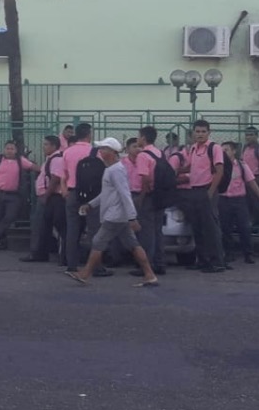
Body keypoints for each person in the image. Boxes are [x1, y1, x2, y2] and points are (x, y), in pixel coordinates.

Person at [66, 137, 159, 287]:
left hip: (115, 215)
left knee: (98, 241)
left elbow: (124, 194)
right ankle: (149, 274)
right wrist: (91, 204)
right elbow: (108, 193)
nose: (100, 151)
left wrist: (132, 217)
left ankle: (85, 273)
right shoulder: (113, 169)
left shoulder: (115, 170)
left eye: (103, 149)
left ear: (112, 152)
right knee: (133, 244)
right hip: (118, 215)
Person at [177, 119, 228, 273]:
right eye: (197, 131)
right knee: (198, 227)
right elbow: (190, 167)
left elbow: (220, 171)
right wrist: (174, 170)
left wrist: (211, 191)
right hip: (194, 190)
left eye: (203, 131)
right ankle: (203, 260)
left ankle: (217, 262)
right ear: (193, 133)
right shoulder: (193, 148)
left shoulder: (214, 148)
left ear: (209, 132)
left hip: (207, 190)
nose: (200, 134)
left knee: (211, 228)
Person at [59, 123, 110, 275]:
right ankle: (96, 266)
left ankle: (71, 264)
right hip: (92, 195)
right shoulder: (96, 152)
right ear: (89, 134)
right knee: (95, 230)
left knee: (72, 229)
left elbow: (64, 174)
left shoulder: (67, 152)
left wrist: (65, 190)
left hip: (73, 193)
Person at [0, 140, 36, 250]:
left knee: (10, 217)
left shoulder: (21, 161)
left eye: (12, 149)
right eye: (7, 148)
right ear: (4, 149)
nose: (9, 151)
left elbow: (34, 167)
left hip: (14, 195)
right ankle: (0, 242)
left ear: (16, 151)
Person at [23, 135, 65, 263]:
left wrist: (46, 195)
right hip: (48, 195)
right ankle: (40, 252)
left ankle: (38, 253)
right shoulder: (50, 159)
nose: (44, 147)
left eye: (46, 144)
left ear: (53, 146)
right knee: (42, 226)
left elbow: (55, 178)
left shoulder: (56, 159)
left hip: (51, 196)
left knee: (40, 225)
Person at [133, 126, 168, 276]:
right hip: (160, 196)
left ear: (143, 138)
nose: (137, 139)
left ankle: (147, 266)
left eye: (139, 136)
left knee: (146, 232)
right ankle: (159, 263)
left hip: (148, 196)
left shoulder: (143, 155)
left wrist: (140, 198)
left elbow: (145, 178)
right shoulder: (159, 153)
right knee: (158, 230)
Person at [219, 142, 259, 265]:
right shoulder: (219, 167)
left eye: (226, 150)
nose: (224, 152)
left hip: (239, 200)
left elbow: (251, 181)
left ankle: (248, 254)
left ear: (233, 151)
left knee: (245, 228)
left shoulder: (241, 166)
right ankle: (228, 253)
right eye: (222, 150)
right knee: (225, 228)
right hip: (224, 200)